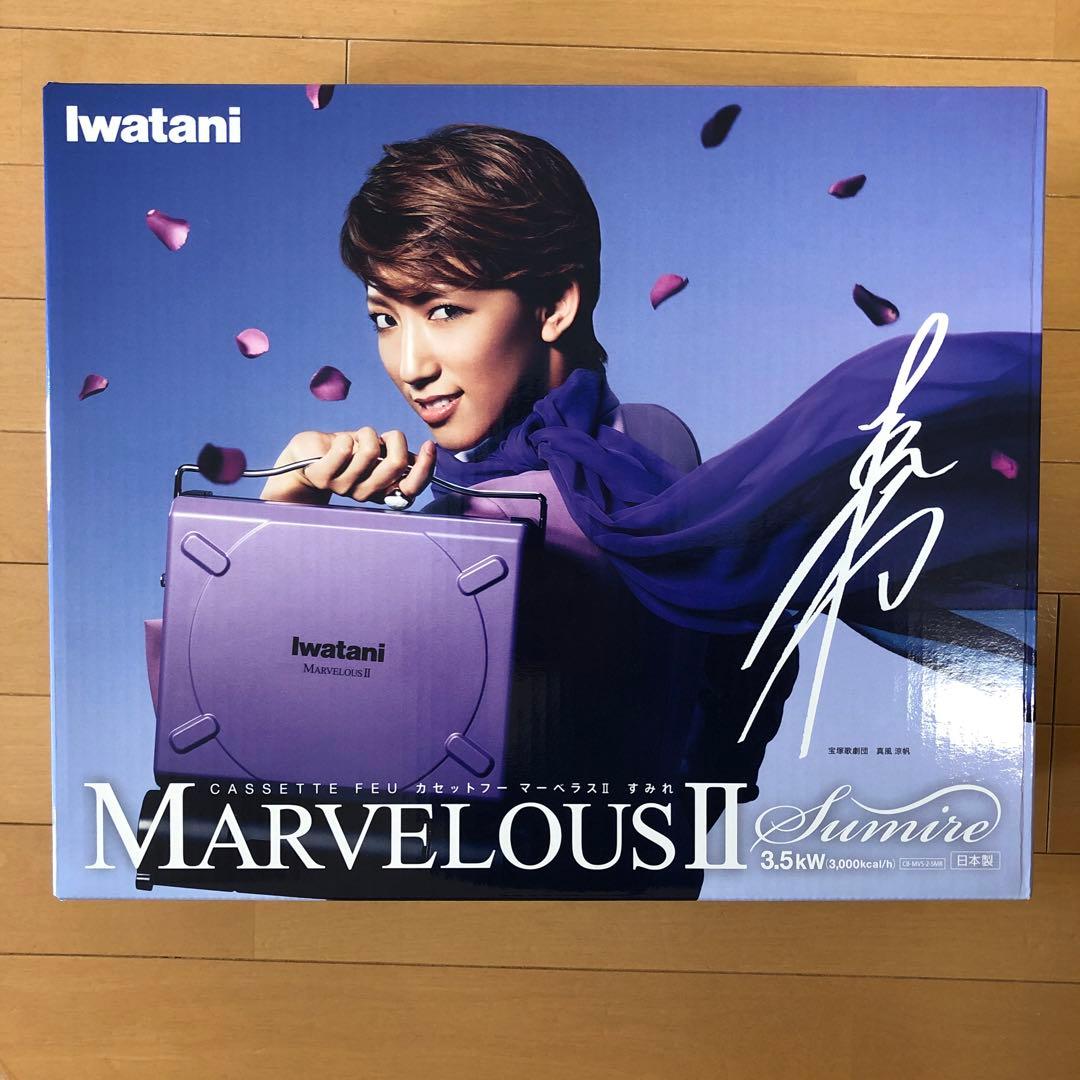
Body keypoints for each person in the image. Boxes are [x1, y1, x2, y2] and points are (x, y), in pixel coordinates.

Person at [259, 123, 1035, 897]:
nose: (409, 364)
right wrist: (295, 522)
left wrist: (287, 542)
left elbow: (284, 744)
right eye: (385, 318)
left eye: (444, 311)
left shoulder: (578, 493)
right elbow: (742, 684)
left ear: (555, 303)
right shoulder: (643, 456)